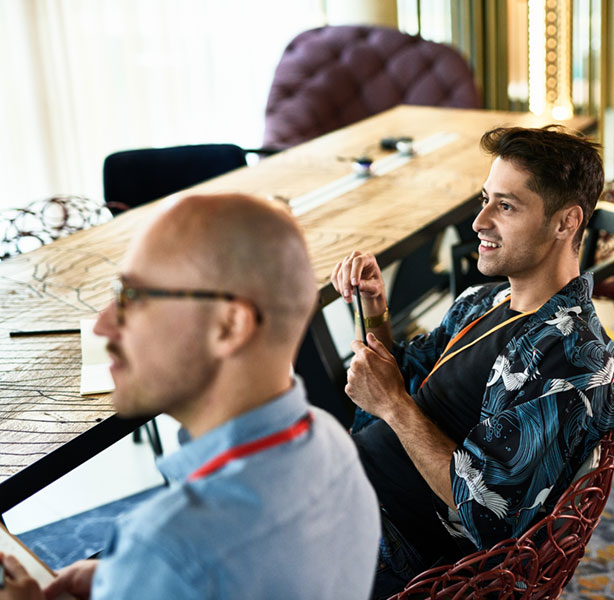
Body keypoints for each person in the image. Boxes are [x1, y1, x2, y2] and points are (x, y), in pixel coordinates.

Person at [0, 193, 380, 600]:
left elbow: (187, 563)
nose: (103, 326)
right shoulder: (333, 442)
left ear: (228, 326)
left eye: (132, 297)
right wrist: (128, 581)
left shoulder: (164, 548)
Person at [330, 126, 614, 596]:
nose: (478, 222)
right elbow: (398, 381)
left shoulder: (570, 363)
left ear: (565, 222)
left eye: (505, 206)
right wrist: (375, 311)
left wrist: (393, 408)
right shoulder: (482, 300)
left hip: (390, 543)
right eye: (485, 199)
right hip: (344, 483)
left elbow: (489, 515)